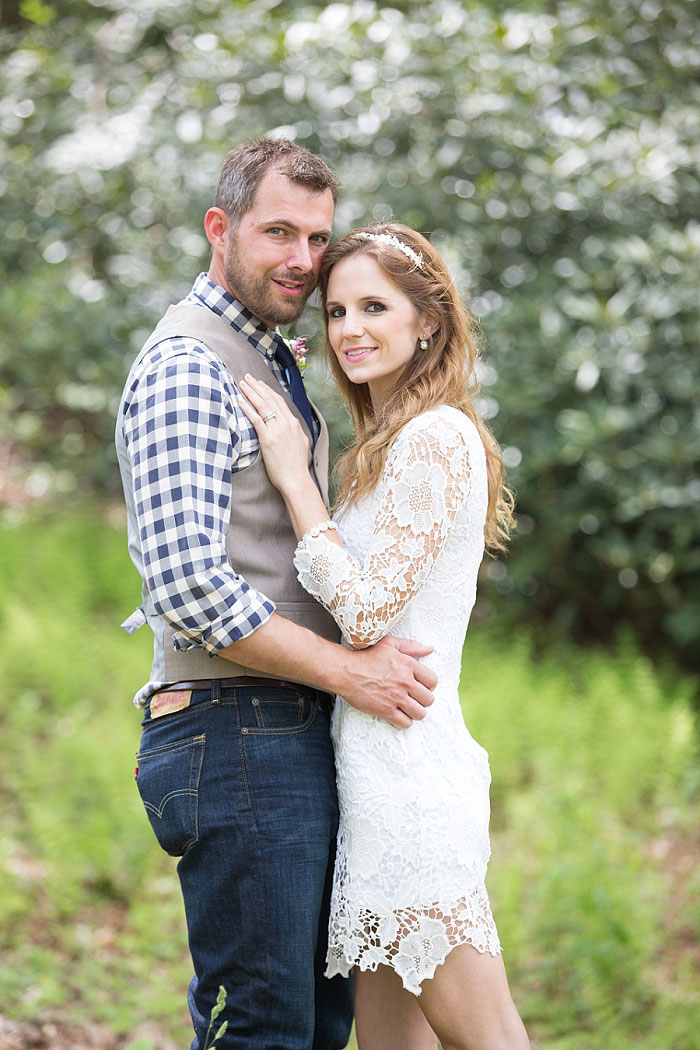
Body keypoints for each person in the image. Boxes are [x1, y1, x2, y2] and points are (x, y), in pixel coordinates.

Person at [115, 143, 438, 1050]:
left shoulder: (267, 355)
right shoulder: (189, 364)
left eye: (317, 237)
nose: (303, 258)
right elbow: (187, 588)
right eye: (278, 233)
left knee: (310, 1024)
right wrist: (355, 673)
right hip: (236, 730)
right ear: (220, 230)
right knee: (266, 1029)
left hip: (279, 732)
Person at [238, 222, 530, 1050]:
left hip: (410, 779)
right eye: (335, 310)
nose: (350, 328)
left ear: (427, 321)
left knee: (488, 1037)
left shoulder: (436, 437)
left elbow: (366, 614)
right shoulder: (387, 444)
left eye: (375, 305)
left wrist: (296, 481)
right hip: (370, 775)